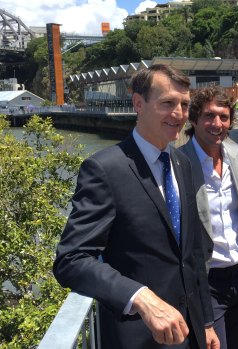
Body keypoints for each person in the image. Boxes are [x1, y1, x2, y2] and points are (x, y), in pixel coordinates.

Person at [53, 64, 220, 349]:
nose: (178, 113)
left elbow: (191, 254)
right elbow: (71, 259)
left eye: (184, 104)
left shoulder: (183, 164)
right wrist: (140, 296)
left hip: (188, 329)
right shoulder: (105, 169)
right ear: (138, 103)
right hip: (138, 335)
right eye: (167, 103)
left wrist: (205, 321)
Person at [179, 85, 238, 349]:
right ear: (194, 119)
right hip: (208, 281)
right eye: (209, 116)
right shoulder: (180, 163)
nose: (217, 123)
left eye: (223, 117)